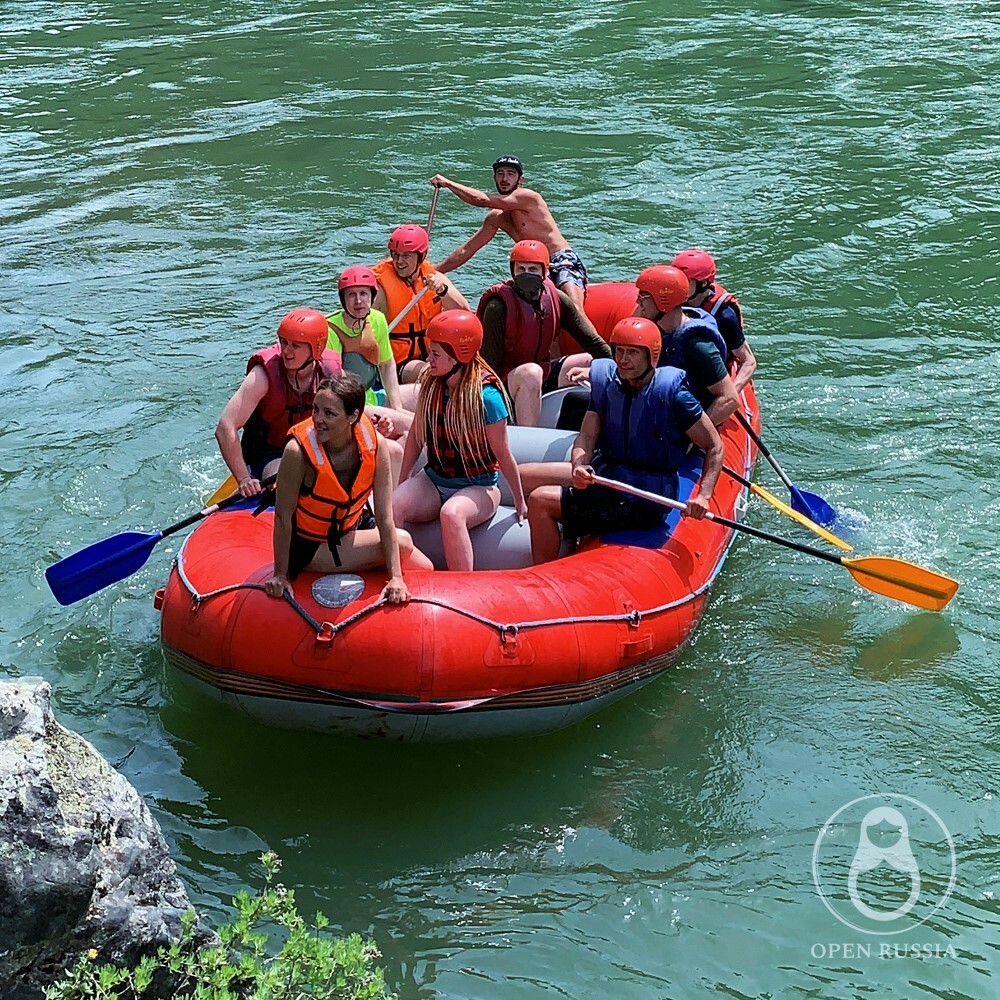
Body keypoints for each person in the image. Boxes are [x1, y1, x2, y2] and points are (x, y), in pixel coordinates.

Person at [524, 317, 724, 565]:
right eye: (619, 351)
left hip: (641, 500)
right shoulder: (608, 384)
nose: (623, 359)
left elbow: (714, 445)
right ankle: (565, 540)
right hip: (608, 478)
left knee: (540, 500)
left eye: (632, 353)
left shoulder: (675, 397)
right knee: (523, 475)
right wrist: (579, 464)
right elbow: (586, 437)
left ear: (651, 356)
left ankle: (542, 574)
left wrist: (703, 496)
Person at [264, 373, 432, 602]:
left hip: (354, 526)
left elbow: (384, 516)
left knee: (427, 568)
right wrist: (280, 575)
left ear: (353, 416)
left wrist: (396, 578)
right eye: (316, 409)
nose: (318, 419)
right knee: (403, 542)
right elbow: (283, 518)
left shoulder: (375, 444)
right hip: (310, 547)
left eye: (329, 413)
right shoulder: (297, 453)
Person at [392, 310, 527, 572]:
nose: (427, 359)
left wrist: (520, 501)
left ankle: (462, 585)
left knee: (451, 514)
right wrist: (403, 480)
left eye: (436, 355)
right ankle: (402, 576)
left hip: (480, 487)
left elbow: (503, 454)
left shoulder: (487, 398)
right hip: (435, 480)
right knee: (395, 504)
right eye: (429, 352)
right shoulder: (433, 386)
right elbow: (416, 438)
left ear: (460, 356)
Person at [476, 239, 612, 426]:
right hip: (506, 382)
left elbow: (592, 341)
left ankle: (602, 423)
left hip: (542, 371)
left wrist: (617, 369)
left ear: (544, 271)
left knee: (590, 361)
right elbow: (489, 366)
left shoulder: (557, 299)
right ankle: (526, 438)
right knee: (531, 373)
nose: (526, 275)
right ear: (512, 271)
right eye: (520, 269)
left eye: (533, 270)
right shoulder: (498, 307)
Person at [216, 308, 344, 499]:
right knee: (285, 475)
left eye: (295, 345)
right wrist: (244, 479)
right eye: (284, 342)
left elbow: (347, 414)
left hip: (312, 446)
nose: (286, 351)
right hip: (268, 455)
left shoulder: (330, 371)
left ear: (316, 348)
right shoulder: (263, 375)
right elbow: (225, 427)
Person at [431, 155, 589, 309]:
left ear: (520, 180)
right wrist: (435, 270)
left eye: (511, 174)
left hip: (561, 260)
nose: (505, 179)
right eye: (500, 173)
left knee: (575, 309)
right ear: (494, 178)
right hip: (529, 268)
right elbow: (468, 249)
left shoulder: (529, 198)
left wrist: (448, 183)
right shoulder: (497, 217)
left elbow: (482, 200)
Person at [634, 264, 739, 427]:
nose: (637, 302)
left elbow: (729, 399)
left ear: (664, 302)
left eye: (643, 298)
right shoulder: (651, 329)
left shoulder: (698, 345)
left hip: (682, 421)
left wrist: (695, 437)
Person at [371, 224, 469, 385]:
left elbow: (463, 310)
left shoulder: (433, 277)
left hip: (432, 353)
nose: (399, 262)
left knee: (463, 370)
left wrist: (442, 291)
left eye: (406, 256)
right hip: (398, 362)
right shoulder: (380, 288)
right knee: (432, 374)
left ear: (421, 257)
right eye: (395, 255)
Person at [671, 247, 757, 392]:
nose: (677, 285)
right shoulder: (672, 301)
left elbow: (748, 361)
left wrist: (730, 394)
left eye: (685, 281)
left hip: (715, 367)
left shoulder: (724, 316)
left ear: (703, 283)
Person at [326, 265, 405, 412]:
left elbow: (386, 364)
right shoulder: (329, 330)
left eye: (363, 293)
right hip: (347, 406)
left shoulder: (378, 319)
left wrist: (397, 407)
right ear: (343, 299)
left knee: (419, 393)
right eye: (351, 295)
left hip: (371, 395)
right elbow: (336, 380)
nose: (358, 301)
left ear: (372, 296)